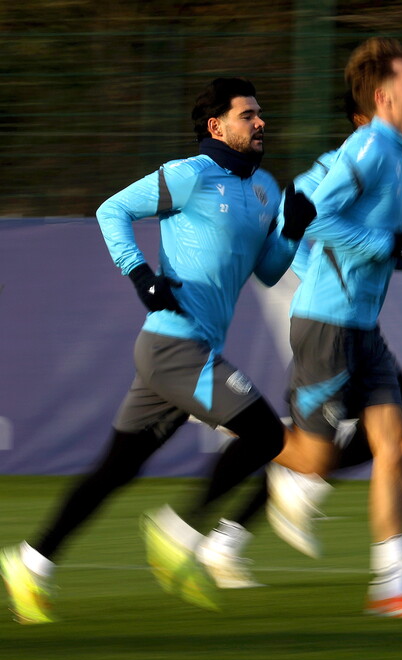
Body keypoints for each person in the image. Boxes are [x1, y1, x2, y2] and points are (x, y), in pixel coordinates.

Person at [0, 77, 317, 623]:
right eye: (249, 115)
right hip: (176, 346)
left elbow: (267, 272)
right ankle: (180, 532)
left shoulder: (264, 187)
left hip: (179, 353)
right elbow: (111, 211)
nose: (261, 122)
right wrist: (141, 276)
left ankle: (30, 562)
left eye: (261, 114)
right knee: (267, 434)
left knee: (114, 471)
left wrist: (290, 231)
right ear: (217, 126)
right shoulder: (188, 175)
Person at [265, 37, 402, 618]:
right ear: (384, 97)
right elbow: (316, 218)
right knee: (312, 458)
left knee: (399, 442)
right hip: (328, 325)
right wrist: (395, 243)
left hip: (362, 327)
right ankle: (230, 420)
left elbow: (377, 249)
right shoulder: (368, 149)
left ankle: (395, 585)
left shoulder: (398, 160)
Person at [182, 93, 402, 591]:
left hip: (352, 316)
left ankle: (230, 535)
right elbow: (296, 219)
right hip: (319, 307)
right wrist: (321, 274)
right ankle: (244, 435)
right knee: (329, 444)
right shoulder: (344, 162)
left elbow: (383, 245)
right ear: (366, 116)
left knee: (374, 433)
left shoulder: (389, 167)